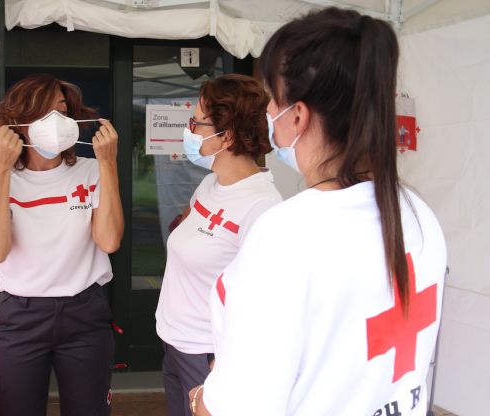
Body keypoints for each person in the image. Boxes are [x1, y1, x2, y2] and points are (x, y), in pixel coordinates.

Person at [189, 7, 447, 416]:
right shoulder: (418, 212)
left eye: (273, 100)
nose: (268, 114)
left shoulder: (287, 235)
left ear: (298, 115)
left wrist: (202, 399)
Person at [0, 74, 124, 416]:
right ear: (19, 123)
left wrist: (108, 163)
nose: (56, 121)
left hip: (84, 313)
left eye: (62, 109)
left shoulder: (89, 171)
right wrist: (0, 169)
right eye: (44, 112)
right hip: (21, 315)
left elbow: (109, 240)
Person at [155, 73, 282, 416]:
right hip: (175, 342)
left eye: (196, 122)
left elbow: (265, 302)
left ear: (226, 137)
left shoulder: (261, 206)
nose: (189, 129)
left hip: (209, 355)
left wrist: (224, 366)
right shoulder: (211, 184)